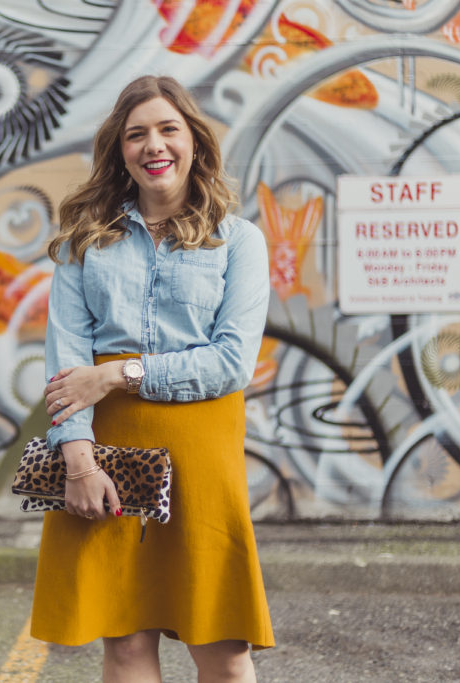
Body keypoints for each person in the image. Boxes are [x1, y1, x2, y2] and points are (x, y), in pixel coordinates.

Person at [31, 75, 274, 682]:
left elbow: (230, 363)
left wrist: (116, 374)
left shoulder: (238, 241)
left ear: (194, 140)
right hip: (107, 454)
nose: (153, 145)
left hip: (202, 453)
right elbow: (67, 368)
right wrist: (81, 467)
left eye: (168, 129)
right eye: (136, 134)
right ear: (120, 150)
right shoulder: (83, 244)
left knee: (221, 645)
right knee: (127, 645)